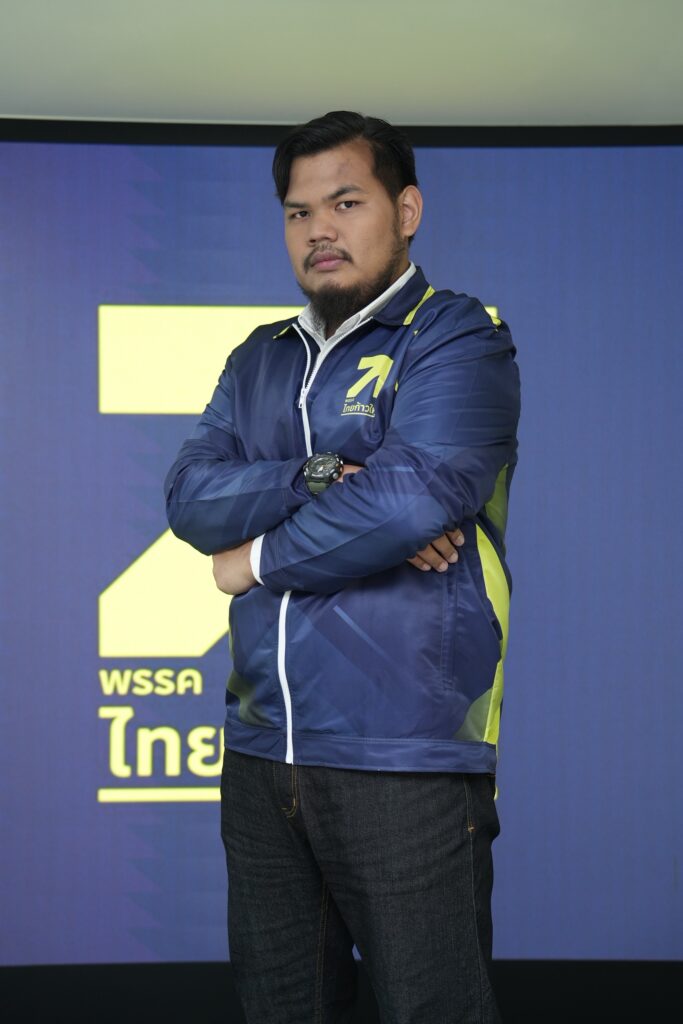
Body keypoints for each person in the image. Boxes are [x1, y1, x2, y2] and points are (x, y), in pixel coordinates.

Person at [165, 110, 520, 1024]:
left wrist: (255, 559)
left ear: (406, 211)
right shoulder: (258, 357)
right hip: (261, 756)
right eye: (298, 212)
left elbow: (408, 502)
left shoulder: (455, 335)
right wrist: (318, 474)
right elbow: (189, 499)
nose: (318, 229)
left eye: (346, 202)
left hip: (402, 751)